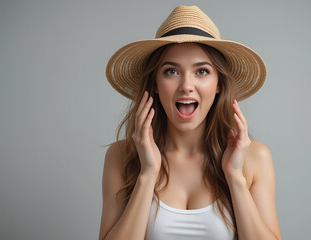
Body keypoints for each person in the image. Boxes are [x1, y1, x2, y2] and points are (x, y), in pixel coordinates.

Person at [99, 5, 282, 240]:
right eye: (171, 71)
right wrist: (147, 173)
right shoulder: (122, 156)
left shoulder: (255, 158)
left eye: (202, 71)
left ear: (218, 85)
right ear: (155, 84)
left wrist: (235, 176)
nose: (186, 85)